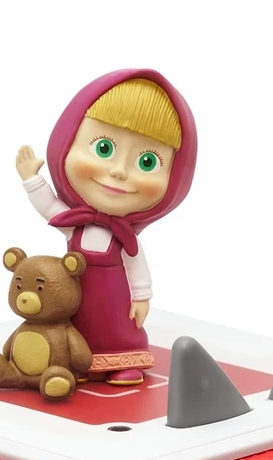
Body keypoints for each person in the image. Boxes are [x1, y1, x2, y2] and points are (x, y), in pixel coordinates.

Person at [16, 69, 197, 385]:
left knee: (119, 330)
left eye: (147, 162)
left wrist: (141, 297)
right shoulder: (74, 226)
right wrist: (32, 178)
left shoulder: (124, 238)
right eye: (103, 148)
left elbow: (136, 265)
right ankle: (78, 361)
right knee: (77, 330)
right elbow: (49, 207)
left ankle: (123, 361)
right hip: (77, 298)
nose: (118, 172)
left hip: (116, 302)